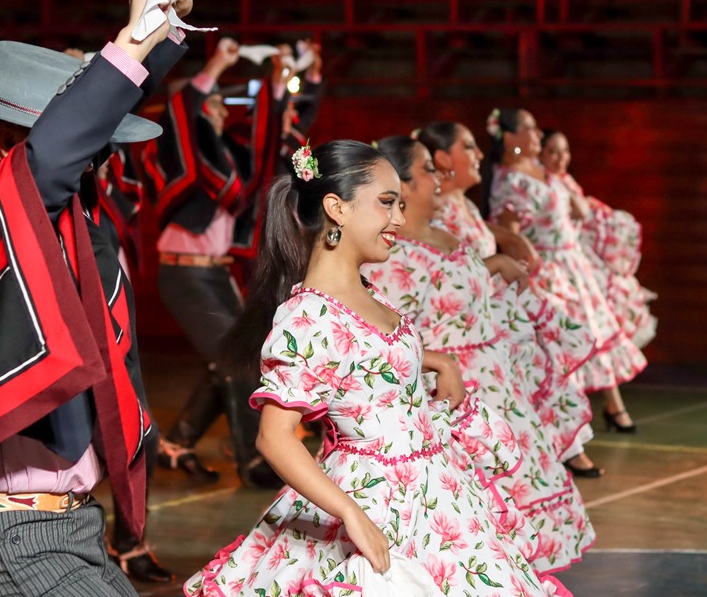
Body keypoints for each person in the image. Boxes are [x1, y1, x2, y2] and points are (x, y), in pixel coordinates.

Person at [0, 0, 180, 595]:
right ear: (12, 147)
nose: (93, 166)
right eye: (86, 155)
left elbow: (67, 150)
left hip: (64, 533)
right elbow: (48, 162)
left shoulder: (20, 219)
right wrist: (131, 41)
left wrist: (163, 32)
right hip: (11, 542)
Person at [184, 139, 568, 596]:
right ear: (336, 208)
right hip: (374, 500)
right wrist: (351, 514)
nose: (400, 220)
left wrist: (435, 359)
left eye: (401, 204)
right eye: (387, 203)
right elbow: (273, 436)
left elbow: (366, 352)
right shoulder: (308, 317)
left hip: (433, 492)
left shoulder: (367, 290)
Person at [362, 134, 595, 576]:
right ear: (402, 185)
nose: (438, 177)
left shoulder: (443, 233)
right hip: (456, 404)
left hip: (499, 398)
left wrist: (496, 269)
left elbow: (457, 287)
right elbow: (387, 335)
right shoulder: (390, 256)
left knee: (524, 519)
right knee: (477, 528)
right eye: (427, 169)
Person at [141, 35, 289, 488]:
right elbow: (182, 110)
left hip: (216, 272)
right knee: (242, 360)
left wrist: (278, 86)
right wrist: (218, 66)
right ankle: (253, 460)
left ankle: (180, 442)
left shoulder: (232, 157)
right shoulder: (178, 149)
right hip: (184, 275)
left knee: (231, 359)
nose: (223, 111)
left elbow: (268, 149)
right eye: (214, 105)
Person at [418, 120, 604, 477]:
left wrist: (509, 242)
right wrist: (498, 260)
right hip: (467, 345)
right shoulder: (437, 209)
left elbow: (476, 242)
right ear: (443, 158)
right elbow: (442, 276)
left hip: (492, 332)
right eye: (468, 147)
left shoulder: (462, 204)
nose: (479, 154)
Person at [485, 107, 647, 440]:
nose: (537, 136)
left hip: (574, 264)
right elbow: (510, 231)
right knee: (563, 341)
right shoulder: (511, 180)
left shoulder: (544, 172)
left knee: (594, 332)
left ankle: (610, 406)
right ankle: (571, 422)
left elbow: (578, 210)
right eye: (529, 129)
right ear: (511, 137)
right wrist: (528, 266)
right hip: (550, 269)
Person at [539, 128, 658, 350]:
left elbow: (584, 211)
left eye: (564, 151)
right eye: (553, 152)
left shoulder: (565, 180)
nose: (561, 158)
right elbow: (580, 212)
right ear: (540, 154)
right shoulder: (545, 183)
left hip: (579, 254)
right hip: (559, 257)